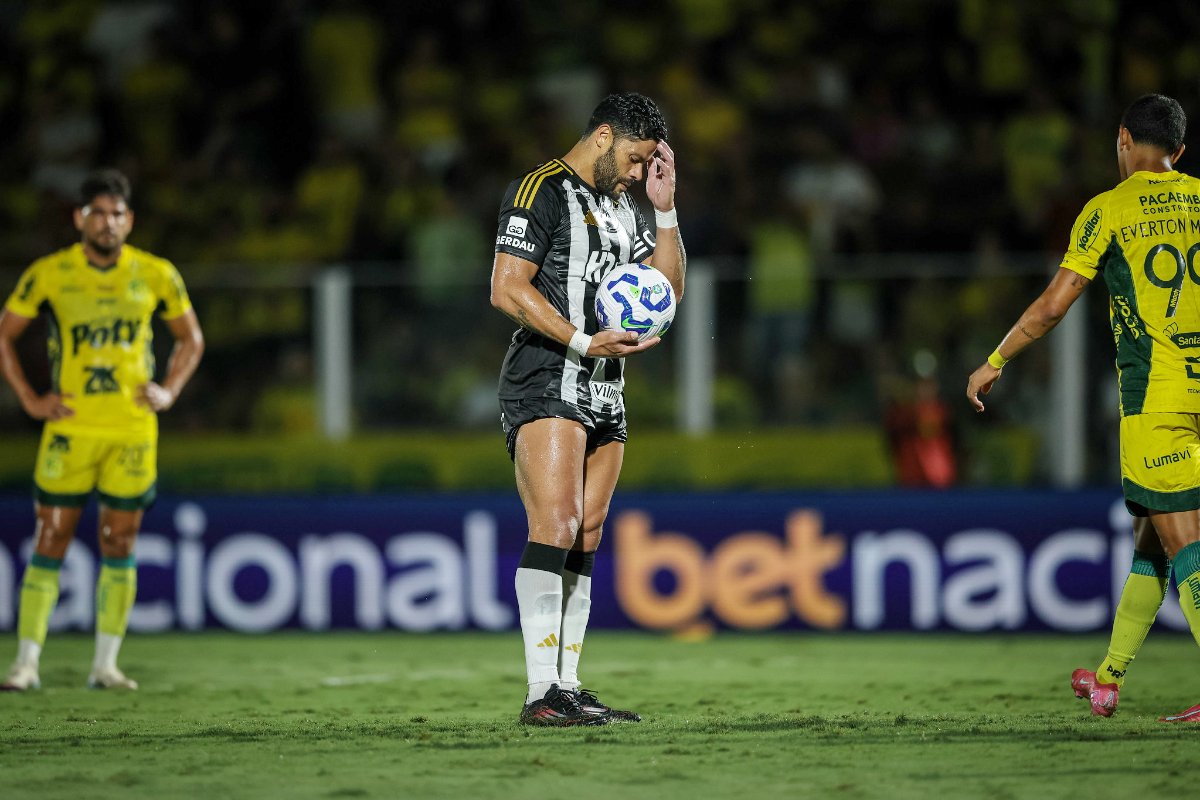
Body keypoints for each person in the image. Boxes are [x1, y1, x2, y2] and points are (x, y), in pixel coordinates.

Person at [966, 94, 1200, 722]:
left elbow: (1052, 305)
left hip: (1158, 400)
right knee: (1153, 541)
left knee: (1184, 542)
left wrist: (996, 360)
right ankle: (1109, 677)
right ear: (1179, 151)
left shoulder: (1109, 209)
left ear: (1123, 139)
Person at [489, 92, 684, 726]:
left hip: (606, 383)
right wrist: (580, 339)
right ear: (603, 137)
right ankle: (540, 693)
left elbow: (666, 292)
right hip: (548, 373)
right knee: (557, 523)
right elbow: (506, 288)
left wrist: (666, 211)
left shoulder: (625, 205)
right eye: (634, 159)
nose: (637, 172)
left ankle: (567, 687)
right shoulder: (540, 191)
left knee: (588, 531)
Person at [0, 169, 204, 691]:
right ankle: (25, 664)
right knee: (52, 536)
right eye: (98, 213)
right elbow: (5, 335)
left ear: (129, 220)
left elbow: (191, 339)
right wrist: (31, 400)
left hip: (132, 431)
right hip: (71, 428)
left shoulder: (156, 273)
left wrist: (169, 392)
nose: (107, 223)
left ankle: (105, 666)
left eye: (117, 214)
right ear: (79, 218)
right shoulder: (51, 273)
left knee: (120, 539)